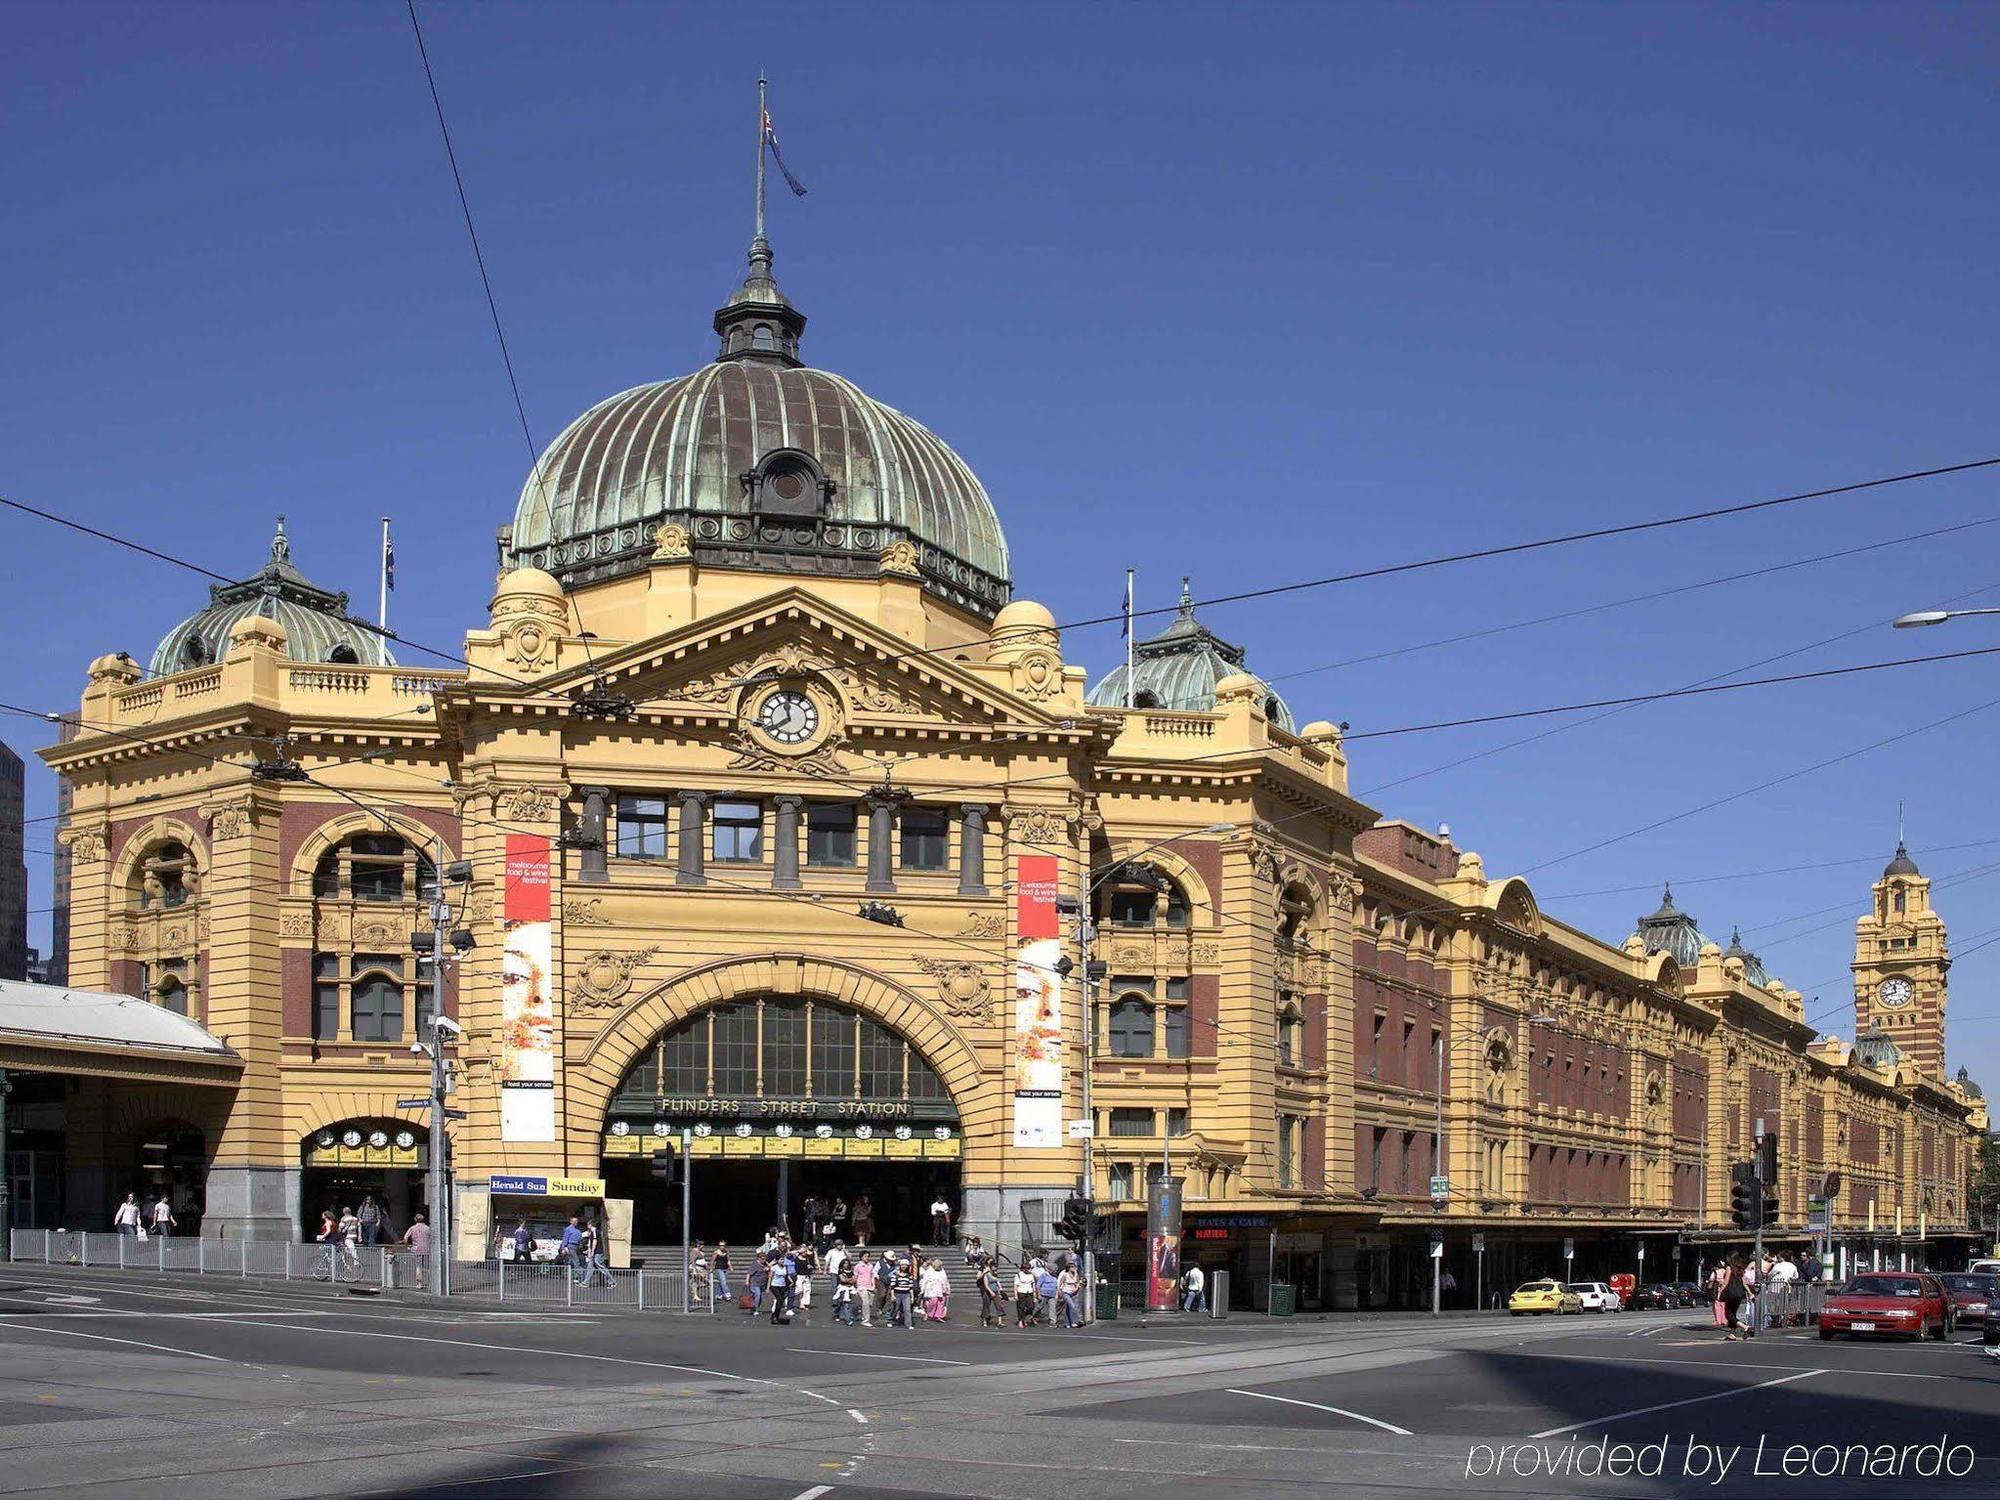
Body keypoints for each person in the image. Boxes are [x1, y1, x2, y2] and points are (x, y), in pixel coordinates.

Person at [1719, 1255, 1748, 1340]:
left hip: (1731, 1293)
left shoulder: (1729, 1267)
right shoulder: (1741, 1268)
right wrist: (1749, 1293)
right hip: (1739, 1292)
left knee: (1728, 1314)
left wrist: (1720, 1291)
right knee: (1733, 1313)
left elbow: (1726, 1281)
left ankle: (1745, 1327)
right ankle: (1732, 1334)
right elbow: (1744, 1282)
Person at [403, 1211, 432, 1289]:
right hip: (427, 1249)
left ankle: (419, 1284)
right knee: (429, 1267)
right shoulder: (428, 1228)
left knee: (418, 1267)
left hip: (417, 1249)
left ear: (415, 1219)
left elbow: (405, 1238)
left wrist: (408, 1246)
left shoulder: (412, 1228)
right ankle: (431, 1284)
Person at [888, 1256, 915, 1329]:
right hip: (897, 1293)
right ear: (900, 1265)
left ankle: (908, 1324)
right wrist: (892, 1295)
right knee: (895, 1308)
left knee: (907, 1309)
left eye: (905, 1265)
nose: (904, 1266)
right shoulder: (895, 1275)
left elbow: (911, 1287)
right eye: (902, 1265)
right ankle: (890, 1321)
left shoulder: (909, 1276)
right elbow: (892, 1286)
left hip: (906, 1294)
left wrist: (912, 1297)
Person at [977, 1259, 1004, 1328]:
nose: (995, 1268)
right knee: (986, 1306)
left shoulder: (995, 1274)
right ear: (991, 1266)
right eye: (994, 1267)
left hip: (995, 1291)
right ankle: (985, 1321)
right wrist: (990, 1292)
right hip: (988, 1291)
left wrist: (1000, 1289)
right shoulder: (986, 1273)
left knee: (999, 1306)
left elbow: (997, 1281)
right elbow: (986, 1285)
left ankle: (1000, 1322)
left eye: (996, 1267)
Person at [853, 1251, 877, 1328]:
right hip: (861, 1287)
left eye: (868, 1256)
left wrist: (873, 1285)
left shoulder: (870, 1266)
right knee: (865, 1303)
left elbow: (872, 1276)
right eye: (865, 1256)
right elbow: (855, 1277)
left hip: (869, 1286)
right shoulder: (858, 1266)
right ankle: (865, 1321)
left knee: (869, 1304)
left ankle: (856, 1313)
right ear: (861, 1257)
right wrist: (855, 1287)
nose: (867, 1258)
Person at [1014, 1264, 1039, 1328]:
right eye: (1026, 1269)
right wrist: (1015, 1295)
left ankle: (1024, 1317)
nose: (1027, 1270)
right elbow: (1015, 1286)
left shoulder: (1031, 1275)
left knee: (1031, 1306)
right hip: (1021, 1292)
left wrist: (1035, 1293)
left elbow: (1033, 1284)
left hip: (1029, 1292)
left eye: (1028, 1268)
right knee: (1021, 1307)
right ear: (1023, 1269)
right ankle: (1020, 1321)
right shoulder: (1018, 1275)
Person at [1057, 1262, 1082, 1327]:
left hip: (1073, 1293)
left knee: (1069, 1308)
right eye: (1072, 1267)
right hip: (1065, 1292)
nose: (1074, 1268)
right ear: (1068, 1268)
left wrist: (1076, 1288)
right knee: (1072, 1306)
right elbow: (1060, 1283)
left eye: (1074, 1267)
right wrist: (1059, 1291)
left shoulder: (1076, 1274)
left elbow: (1078, 1282)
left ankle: (1067, 1323)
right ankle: (1074, 1322)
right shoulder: (1065, 1275)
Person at [834, 1261, 858, 1326]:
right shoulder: (841, 1271)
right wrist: (850, 1280)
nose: (846, 1265)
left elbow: (854, 1280)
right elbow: (843, 1280)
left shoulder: (850, 1272)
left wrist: (848, 1279)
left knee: (843, 1303)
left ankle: (837, 1313)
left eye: (847, 1263)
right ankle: (848, 1320)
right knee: (845, 1304)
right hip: (843, 1289)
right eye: (845, 1263)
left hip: (850, 1289)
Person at [1036, 1262, 1061, 1326]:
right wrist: (1038, 1294)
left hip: (1052, 1294)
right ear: (1050, 1269)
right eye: (1054, 1270)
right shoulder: (1043, 1275)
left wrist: (1057, 1294)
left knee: (1052, 1308)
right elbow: (1038, 1285)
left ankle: (1053, 1321)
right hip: (1043, 1294)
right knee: (1039, 1307)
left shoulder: (1055, 1276)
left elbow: (1057, 1285)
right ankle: (1031, 1316)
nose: (1055, 1271)